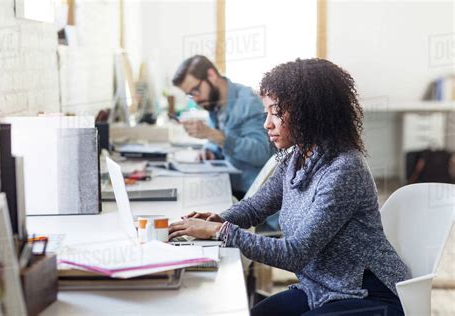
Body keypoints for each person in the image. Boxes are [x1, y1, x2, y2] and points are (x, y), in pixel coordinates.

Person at [169, 58, 410, 315]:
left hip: (368, 293)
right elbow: (255, 208)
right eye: (267, 113)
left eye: (276, 112)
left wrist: (220, 231)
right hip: (321, 288)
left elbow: (295, 253)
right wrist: (218, 219)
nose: (267, 124)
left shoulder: (344, 168)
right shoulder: (296, 157)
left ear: (309, 111)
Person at [172, 55, 273, 199]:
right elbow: (218, 144)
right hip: (228, 186)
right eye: (190, 95)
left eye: (195, 91)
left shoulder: (249, 102)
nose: (195, 100)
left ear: (211, 75)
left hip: (250, 195)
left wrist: (214, 136)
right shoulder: (213, 101)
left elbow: (261, 152)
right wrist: (209, 150)